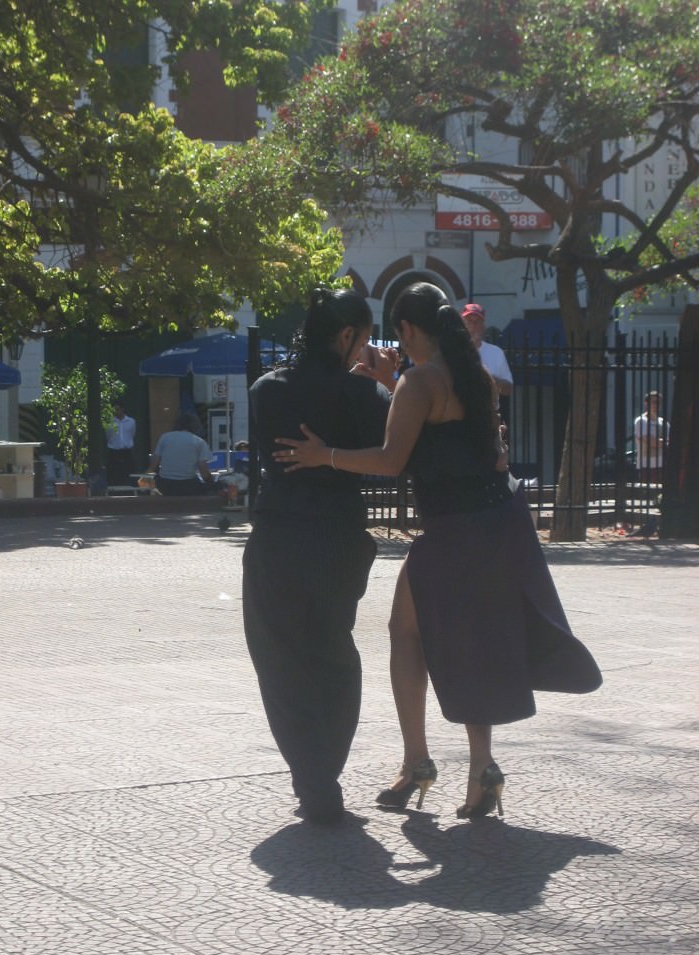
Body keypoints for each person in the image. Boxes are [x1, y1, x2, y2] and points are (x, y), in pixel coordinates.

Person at [274, 283, 601, 820]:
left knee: (405, 634)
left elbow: (390, 458)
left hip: (450, 531)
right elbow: (462, 440)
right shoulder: (475, 374)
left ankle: (417, 762)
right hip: (497, 524)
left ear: (404, 330)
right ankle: (481, 768)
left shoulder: (419, 382)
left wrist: (322, 455)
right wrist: (390, 380)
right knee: (477, 644)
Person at [243, 286, 397, 825]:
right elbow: (395, 454)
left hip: (281, 536)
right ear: (347, 334)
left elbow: (275, 455)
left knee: (280, 655)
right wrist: (385, 386)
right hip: (339, 537)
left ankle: (310, 777)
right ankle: (323, 769)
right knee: (333, 650)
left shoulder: (267, 390)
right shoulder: (364, 397)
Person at [146, 413, 215, 496]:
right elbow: (203, 470)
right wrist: (211, 483)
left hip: (164, 485)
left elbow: (154, 464)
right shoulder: (199, 442)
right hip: (188, 485)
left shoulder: (165, 437)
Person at [461, 303, 513, 397]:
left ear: (483, 326)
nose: (473, 325)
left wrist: (488, 379)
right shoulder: (454, 352)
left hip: (489, 410)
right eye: (469, 321)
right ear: (463, 326)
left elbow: (508, 389)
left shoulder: (496, 353)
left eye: (477, 321)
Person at [634, 391, 670, 484]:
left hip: (662, 466)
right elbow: (653, 443)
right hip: (646, 467)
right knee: (647, 495)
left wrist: (661, 442)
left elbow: (671, 443)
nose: (656, 405)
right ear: (646, 403)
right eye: (653, 402)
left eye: (658, 402)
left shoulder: (664, 423)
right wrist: (664, 442)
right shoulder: (641, 421)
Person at [105, 402, 137, 486]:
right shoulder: (109, 422)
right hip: (114, 452)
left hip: (127, 452)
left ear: (122, 409)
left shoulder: (131, 421)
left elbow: (132, 434)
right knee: (113, 474)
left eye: (117, 409)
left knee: (129, 473)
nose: (116, 411)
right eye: (114, 410)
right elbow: (108, 436)